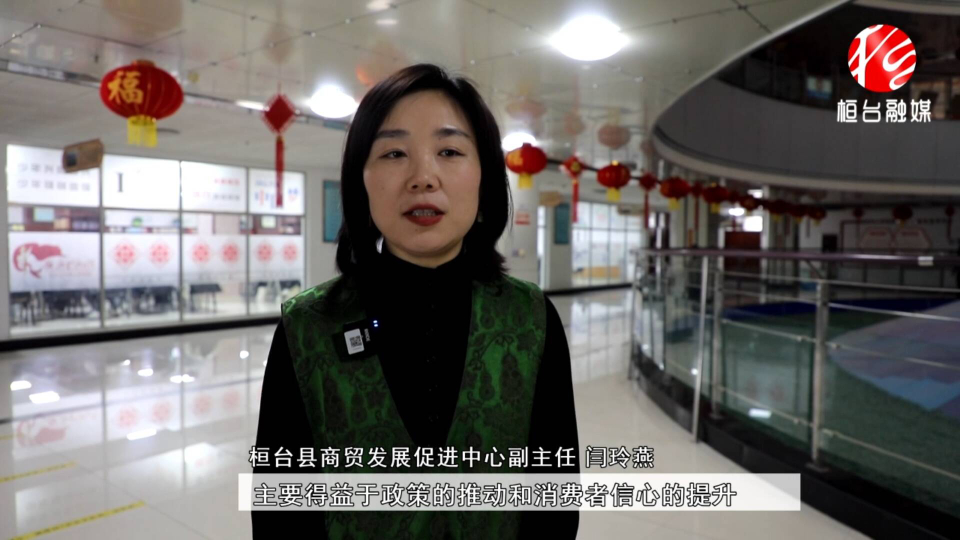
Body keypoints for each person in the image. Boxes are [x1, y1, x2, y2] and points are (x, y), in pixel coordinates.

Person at [252, 63, 580, 539]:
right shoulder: (307, 326)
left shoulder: (530, 318)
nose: (423, 177)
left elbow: (555, 498)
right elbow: (280, 510)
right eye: (393, 153)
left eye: (449, 151)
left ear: (485, 179)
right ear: (360, 182)